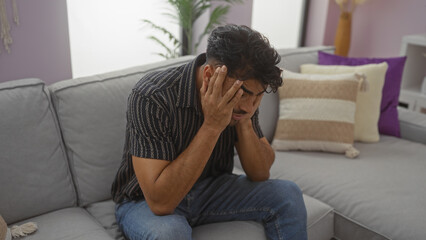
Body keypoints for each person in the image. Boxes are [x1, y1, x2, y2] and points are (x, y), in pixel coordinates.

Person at [111, 24, 307, 240]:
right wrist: (212, 126)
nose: (250, 105)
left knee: (288, 194)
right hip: (143, 201)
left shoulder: (245, 103)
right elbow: (160, 203)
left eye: (258, 96)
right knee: (170, 233)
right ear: (209, 74)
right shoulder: (152, 96)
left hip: (212, 188)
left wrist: (243, 120)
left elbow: (260, 173)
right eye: (243, 95)